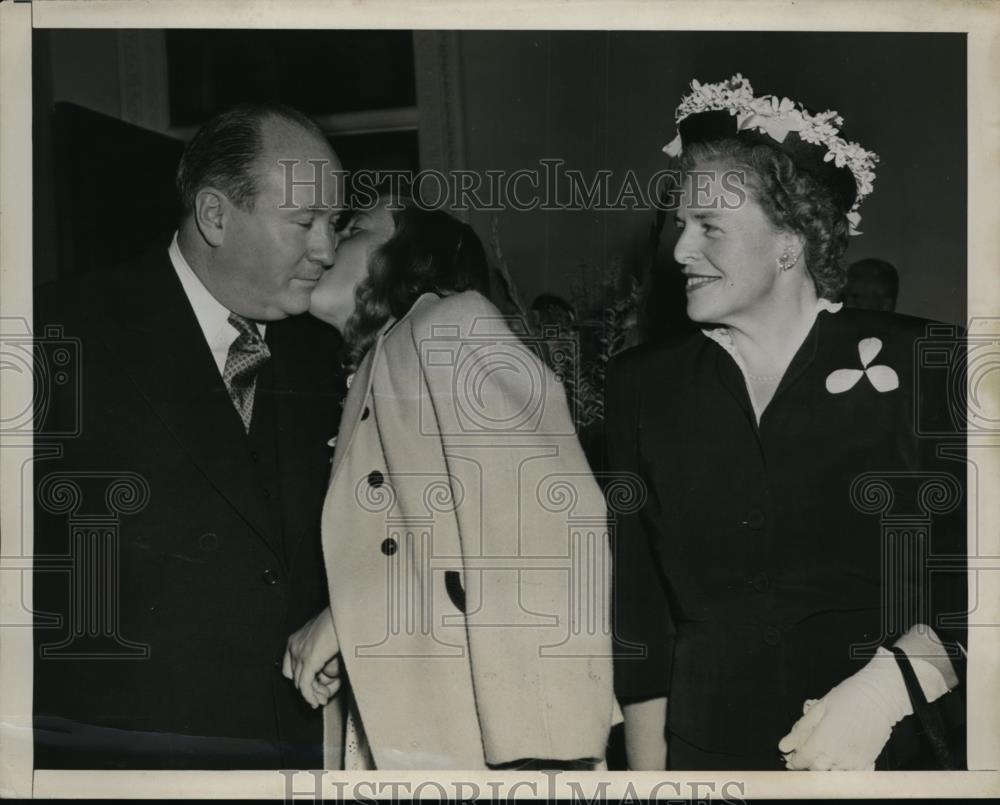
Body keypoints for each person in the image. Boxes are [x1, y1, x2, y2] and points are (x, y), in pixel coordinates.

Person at [607, 75, 966, 771]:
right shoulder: (643, 387)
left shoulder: (930, 364)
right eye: (680, 225)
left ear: (791, 241)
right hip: (711, 757)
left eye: (709, 226)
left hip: (889, 748)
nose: (680, 250)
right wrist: (652, 783)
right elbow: (640, 618)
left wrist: (893, 683)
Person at [33, 103, 347, 769]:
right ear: (214, 215)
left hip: (291, 752)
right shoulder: (60, 332)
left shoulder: (323, 355)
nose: (327, 250)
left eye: (335, 223)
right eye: (304, 222)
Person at [284, 197, 617, 770]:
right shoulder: (376, 362)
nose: (326, 244)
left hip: (492, 742)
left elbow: (539, 527)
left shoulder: (452, 323)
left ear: (411, 258)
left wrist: (543, 751)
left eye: (353, 228)